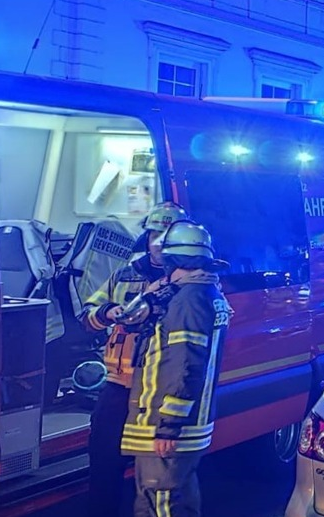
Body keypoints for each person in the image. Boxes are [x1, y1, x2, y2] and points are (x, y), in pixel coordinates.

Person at [78, 202, 187, 517]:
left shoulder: (187, 282)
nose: (158, 239)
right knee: (102, 456)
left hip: (158, 390)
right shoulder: (124, 274)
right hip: (118, 384)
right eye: (154, 231)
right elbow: (86, 315)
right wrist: (107, 312)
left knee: (155, 470)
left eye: (165, 233)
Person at [122, 220, 232, 517]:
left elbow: (184, 365)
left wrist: (168, 426)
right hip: (184, 423)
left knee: (162, 504)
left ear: (173, 261)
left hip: (168, 425)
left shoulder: (188, 301)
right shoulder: (205, 294)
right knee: (172, 501)